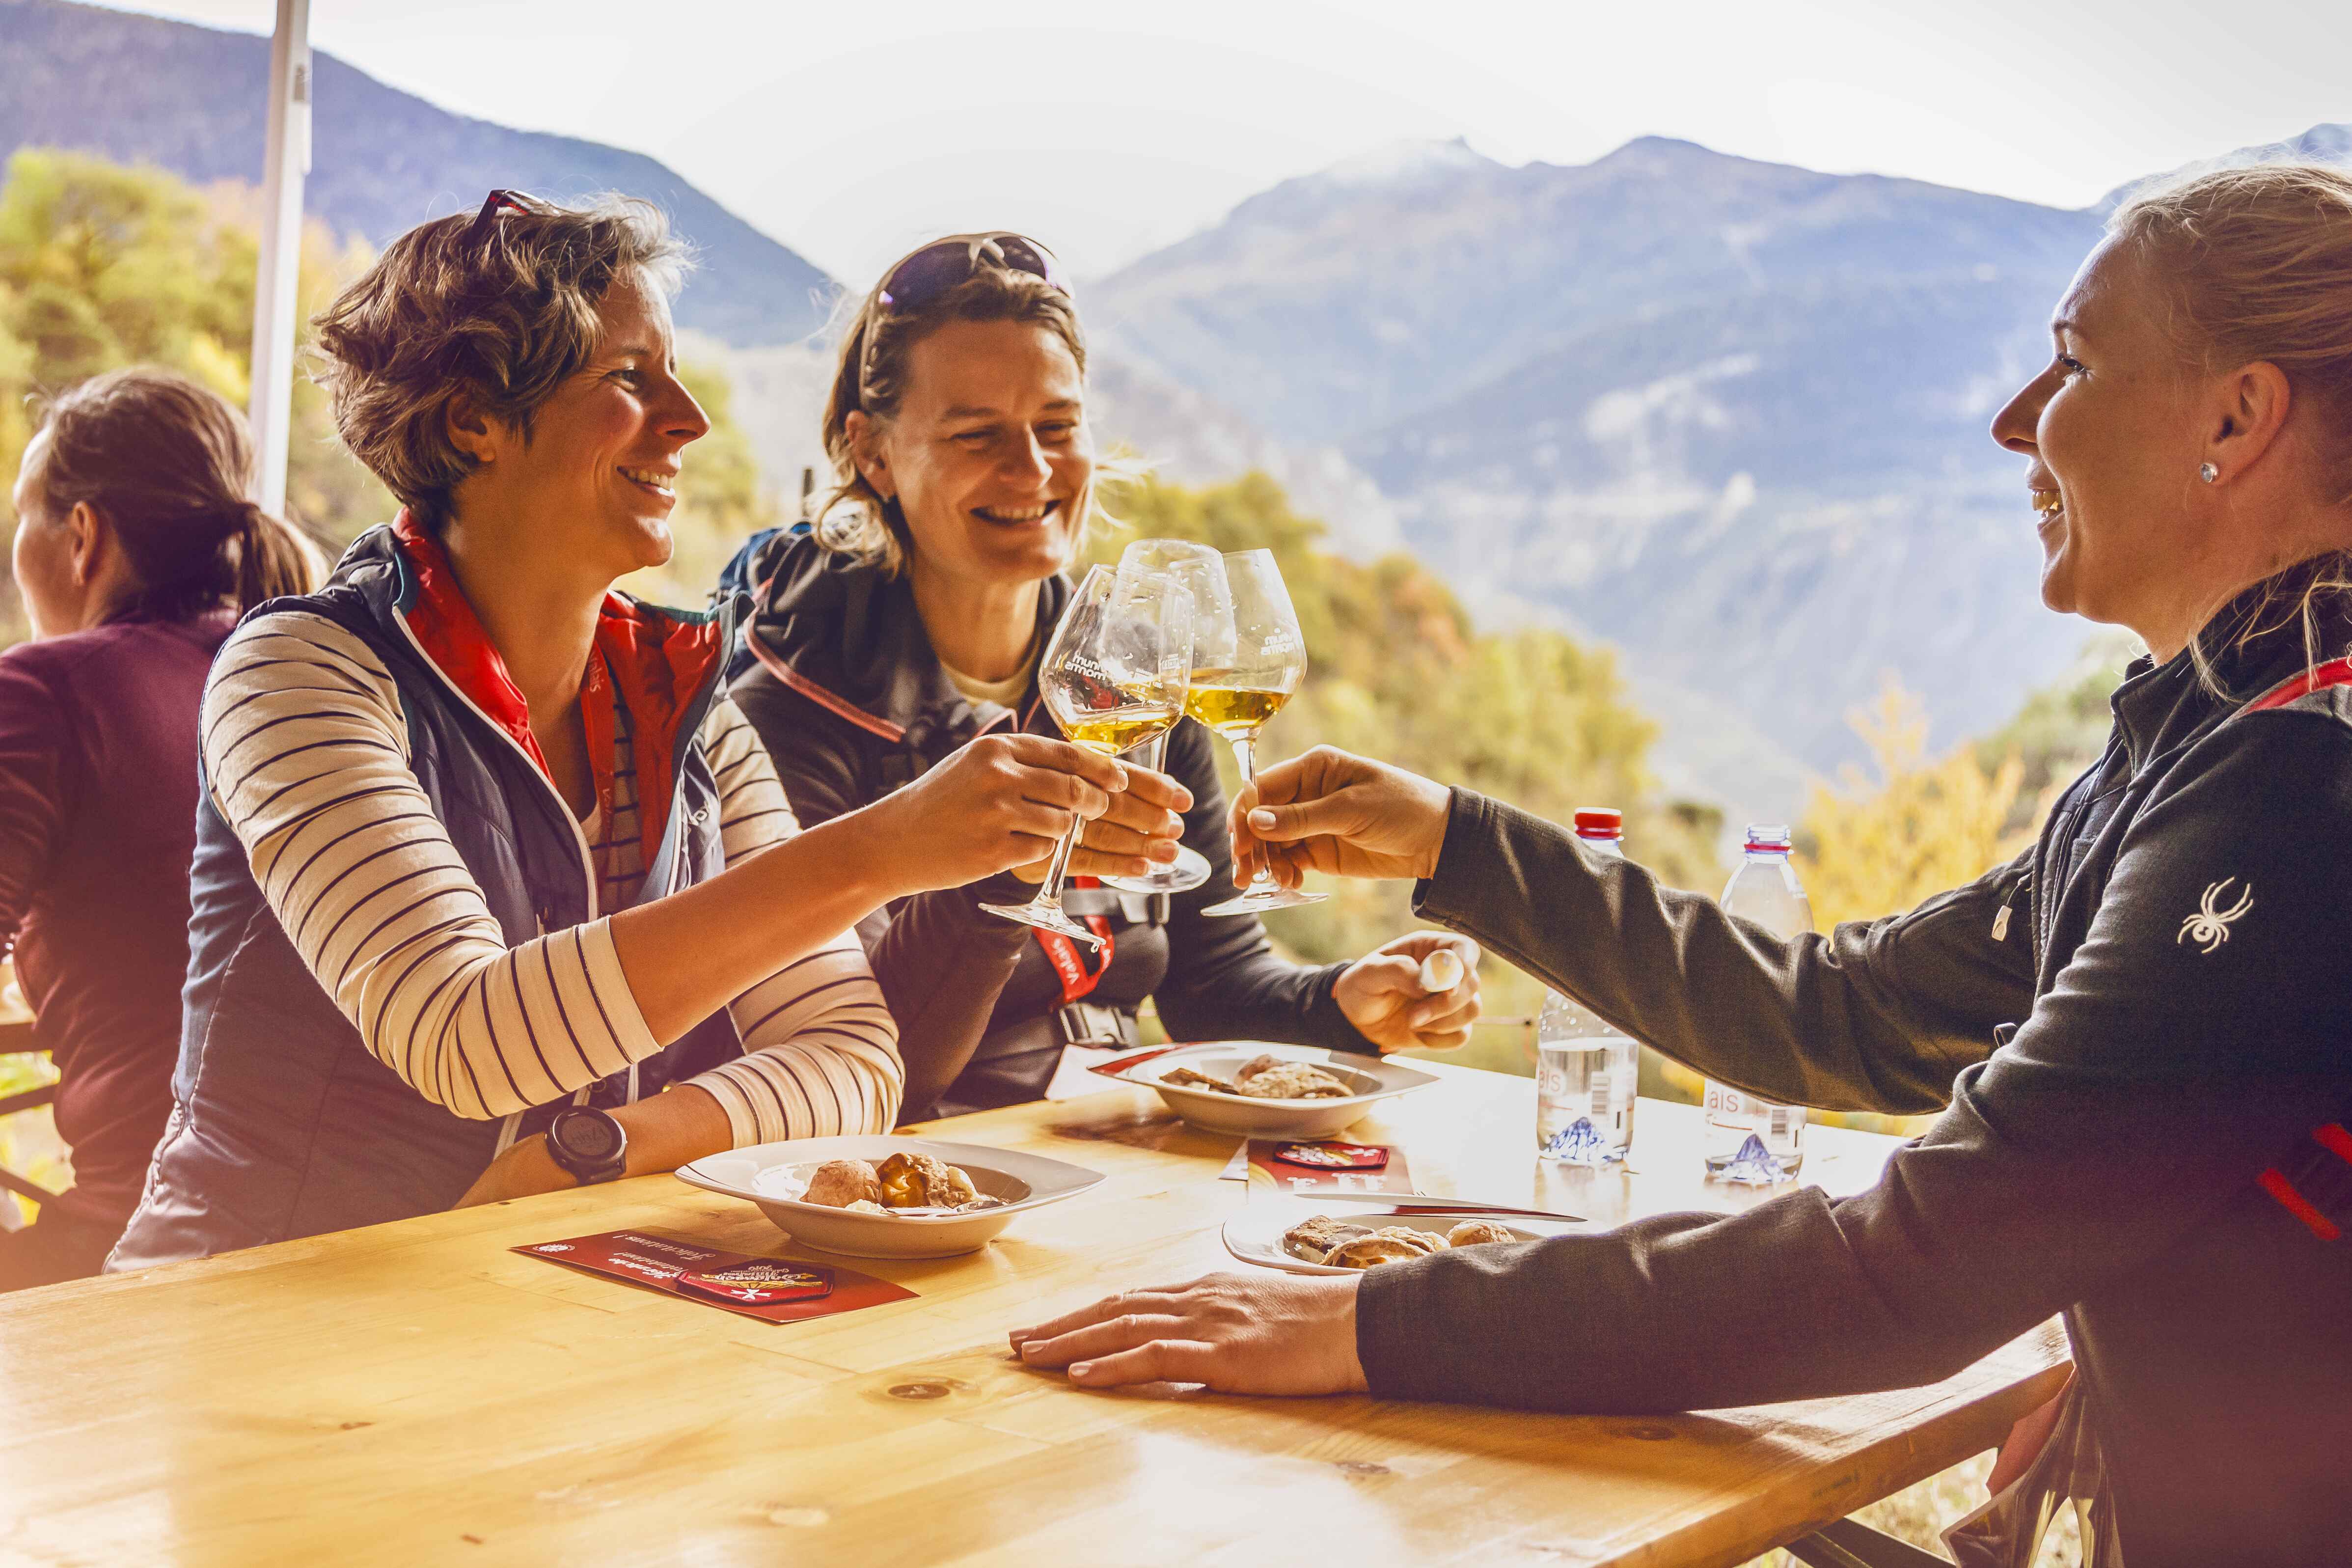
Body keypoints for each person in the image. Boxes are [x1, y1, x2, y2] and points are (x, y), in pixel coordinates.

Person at [1010, 165, 2352, 1564]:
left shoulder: (2298, 785)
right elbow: (1837, 1012)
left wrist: (1365, 1323)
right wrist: (1462, 844)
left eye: (2069, 363)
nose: (2013, 419)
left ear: (2234, 416)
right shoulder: (2210, 738)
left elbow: (1923, 1260)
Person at [108, 196, 1157, 1268]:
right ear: (475, 418)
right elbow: (464, 1039)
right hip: (260, 1299)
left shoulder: (688, 707)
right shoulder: (303, 674)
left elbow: (853, 1062)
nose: (688, 418)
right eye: (629, 377)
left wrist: (590, 1151)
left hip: (525, 1299)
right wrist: (884, 847)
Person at [724, 233, 1481, 1119]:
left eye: (1057, 426)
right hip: (936, 1184)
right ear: (873, 452)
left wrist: (1344, 1004)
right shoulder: (787, 715)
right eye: (977, 434)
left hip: (1109, 1168)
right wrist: (1001, 859)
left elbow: (1215, 988)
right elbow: (862, 1067)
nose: (1034, 471)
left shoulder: (1131, 674)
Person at [0, 370, 320, 1291]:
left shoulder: (53, 688)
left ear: (82, 534)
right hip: (334, 1232)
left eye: (24, 513)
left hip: (140, 1244)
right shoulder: (300, 680)